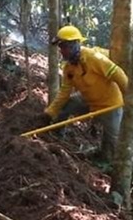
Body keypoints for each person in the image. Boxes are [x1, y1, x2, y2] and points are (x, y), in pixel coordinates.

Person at [44, 25, 128, 161]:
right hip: (88, 101)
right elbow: (64, 93)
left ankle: (103, 159)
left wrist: (129, 95)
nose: (61, 51)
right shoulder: (68, 69)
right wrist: (50, 113)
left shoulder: (93, 58)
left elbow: (118, 74)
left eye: (64, 47)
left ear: (73, 45)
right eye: (60, 47)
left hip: (110, 104)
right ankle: (56, 136)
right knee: (67, 104)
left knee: (112, 141)